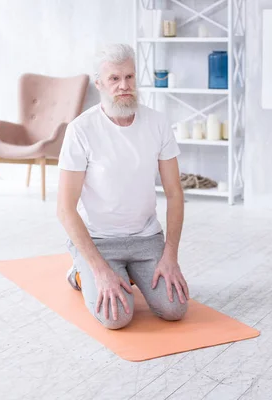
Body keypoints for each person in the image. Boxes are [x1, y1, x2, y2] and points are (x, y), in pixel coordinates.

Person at [56, 43, 189, 330]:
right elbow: (65, 209)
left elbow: (175, 193)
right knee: (116, 317)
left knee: (174, 308)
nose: (123, 85)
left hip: (146, 238)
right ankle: (80, 273)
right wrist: (99, 269)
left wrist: (170, 255)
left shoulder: (157, 122)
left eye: (129, 77)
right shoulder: (80, 130)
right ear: (100, 83)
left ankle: (129, 271)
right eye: (114, 79)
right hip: (99, 242)